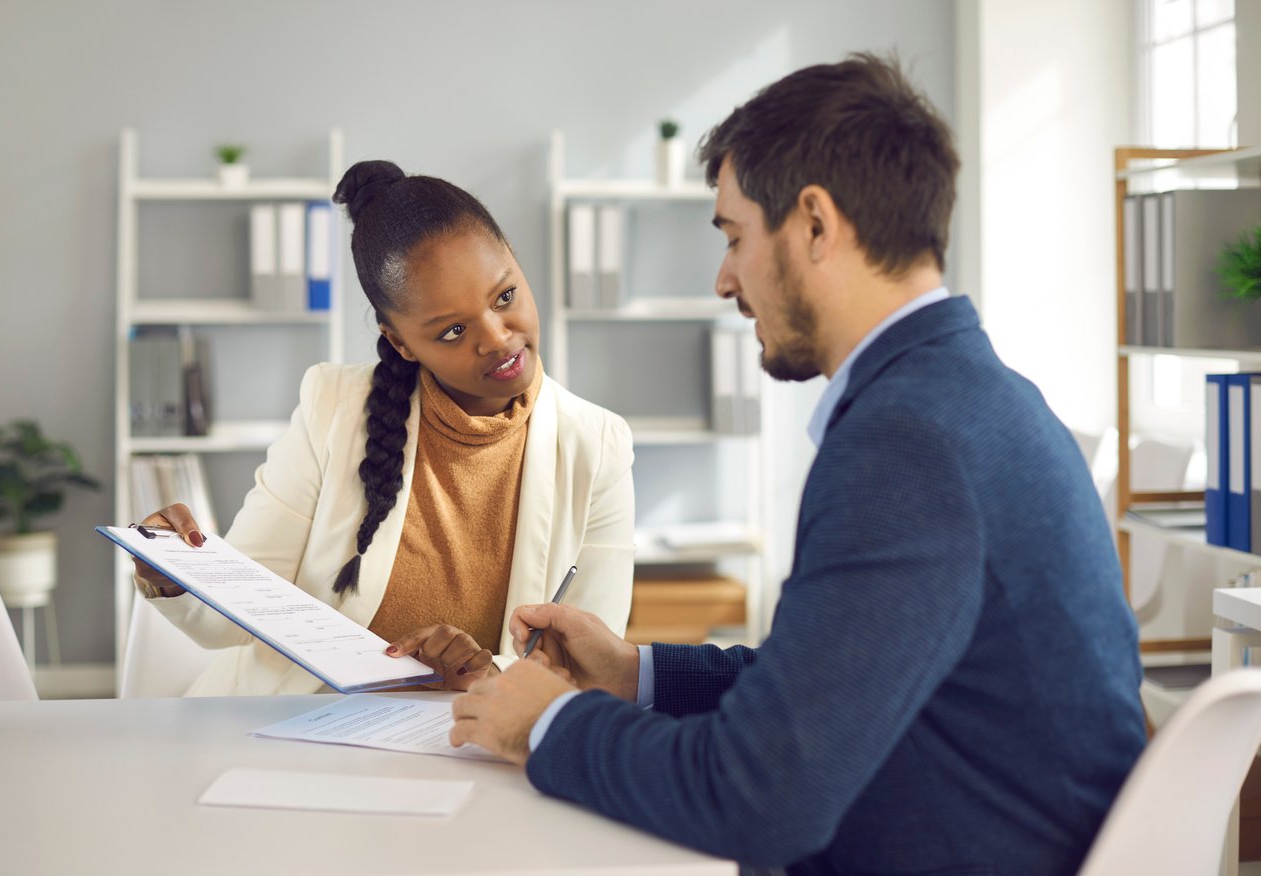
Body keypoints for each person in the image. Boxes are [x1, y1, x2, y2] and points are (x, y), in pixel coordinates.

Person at [449, 53, 1146, 875]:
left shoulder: (906, 444)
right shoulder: (972, 396)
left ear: (815, 224)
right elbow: (835, 679)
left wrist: (549, 724)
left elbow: (756, 797)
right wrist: (634, 672)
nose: (723, 279)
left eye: (735, 237)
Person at [132, 161, 635, 696]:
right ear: (399, 342)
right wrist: (173, 570)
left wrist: (490, 674)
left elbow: (590, 669)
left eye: (505, 296)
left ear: (515, 261)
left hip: (467, 744)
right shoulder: (333, 408)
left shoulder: (597, 446)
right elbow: (234, 617)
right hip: (300, 731)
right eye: (454, 330)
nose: (496, 338)